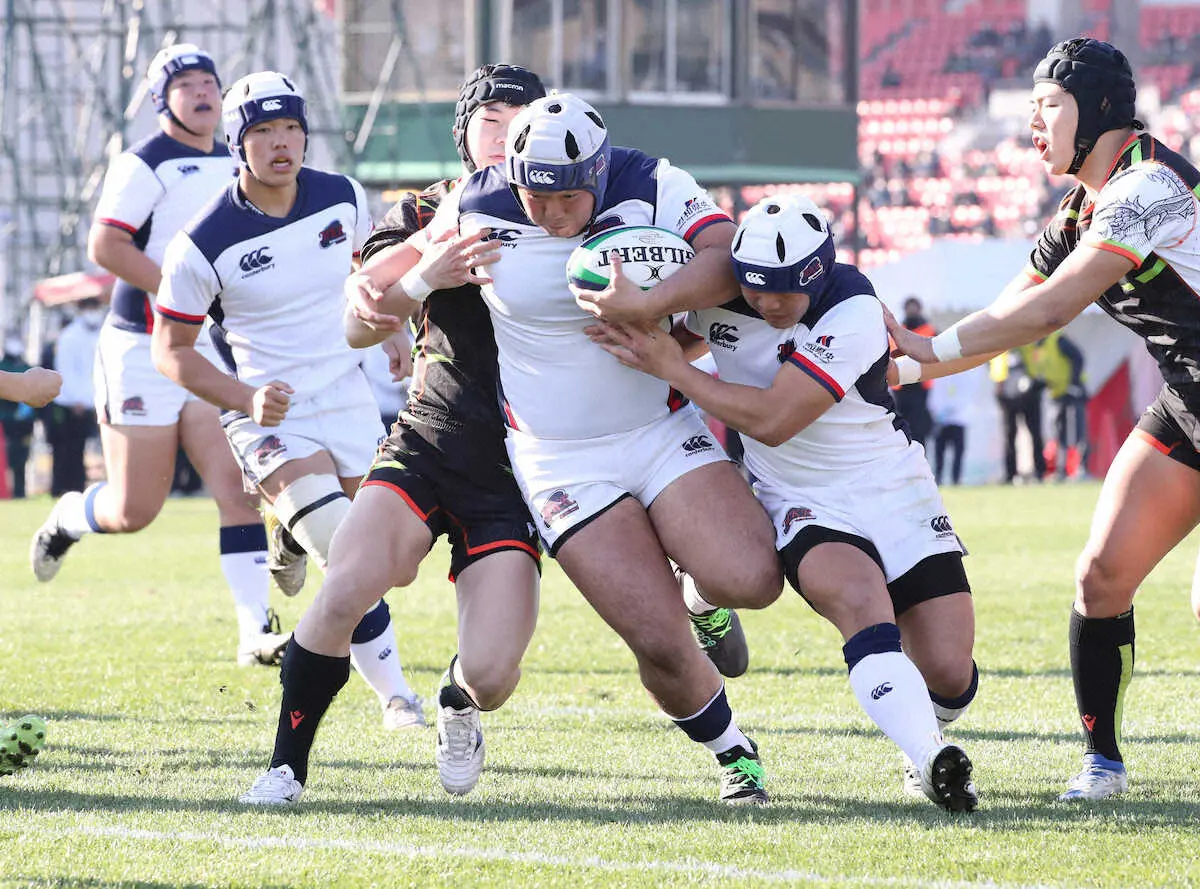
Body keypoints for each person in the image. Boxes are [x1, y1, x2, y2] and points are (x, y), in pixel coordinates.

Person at [385, 92, 784, 805]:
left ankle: (703, 593)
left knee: (752, 576)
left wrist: (649, 306)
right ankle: (733, 752)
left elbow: (727, 261)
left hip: (660, 430)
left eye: (569, 196)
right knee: (658, 643)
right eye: (536, 197)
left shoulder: (652, 181)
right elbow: (385, 284)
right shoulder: (476, 203)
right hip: (559, 457)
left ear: (599, 171)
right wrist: (403, 285)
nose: (553, 214)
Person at [590, 194, 980, 813]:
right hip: (799, 498)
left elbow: (775, 420)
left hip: (891, 485)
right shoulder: (723, 295)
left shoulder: (852, 308)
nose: (767, 303)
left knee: (950, 670)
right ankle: (930, 759)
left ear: (817, 274)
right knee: (860, 605)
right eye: (756, 288)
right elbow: (681, 340)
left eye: (783, 293)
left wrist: (677, 370)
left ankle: (928, 729)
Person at [887, 37, 1200, 801]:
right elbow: (1006, 310)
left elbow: (1051, 311)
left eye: (1046, 106)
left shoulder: (1148, 186)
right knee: (1101, 576)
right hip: (1190, 404)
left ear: (1096, 109)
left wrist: (925, 347)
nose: (1031, 123)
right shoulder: (1078, 211)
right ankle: (1104, 763)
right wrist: (893, 369)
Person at [236, 64, 549, 806]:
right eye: (491, 118)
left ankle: (455, 701)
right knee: (345, 586)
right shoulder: (423, 209)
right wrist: (425, 276)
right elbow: (359, 317)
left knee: (494, 674)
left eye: (521, 117)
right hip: (428, 440)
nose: (505, 133)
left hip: (516, 466)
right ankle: (285, 766)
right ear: (464, 132)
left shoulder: (571, 208)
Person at [150, 70, 424, 731]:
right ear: (238, 144)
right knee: (349, 553)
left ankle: (287, 535)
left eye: (292, 128)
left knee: (399, 562)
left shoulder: (342, 196)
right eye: (264, 131)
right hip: (266, 415)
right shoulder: (203, 240)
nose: (281, 144)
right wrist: (245, 396)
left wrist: (392, 330)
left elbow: (366, 276)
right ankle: (397, 696)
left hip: (349, 395)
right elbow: (171, 352)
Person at [28, 45, 287, 670]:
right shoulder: (146, 162)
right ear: (160, 100)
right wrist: (183, 297)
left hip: (202, 350)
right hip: (140, 348)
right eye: (186, 84)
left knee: (234, 489)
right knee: (134, 510)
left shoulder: (237, 158)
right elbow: (106, 247)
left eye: (210, 82)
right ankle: (69, 516)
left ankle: (255, 632)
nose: (202, 93)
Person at [46, 299, 102, 496]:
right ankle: (61, 488)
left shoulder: (99, 334)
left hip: (90, 402)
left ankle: (77, 487)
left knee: (80, 450)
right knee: (66, 449)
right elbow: (66, 372)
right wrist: (76, 399)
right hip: (69, 404)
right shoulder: (70, 336)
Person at [1024, 331, 1089, 480]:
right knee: (1059, 433)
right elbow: (1045, 373)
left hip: (1073, 392)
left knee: (1077, 431)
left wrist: (1073, 383)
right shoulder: (1036, 348)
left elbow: (1078, 357)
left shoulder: (1058, 340)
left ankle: (1082, 469)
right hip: (1056, 394)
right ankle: (1061, 470)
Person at [990, 349, 1046, 484]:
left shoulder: (1028, 340)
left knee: (1035, 433)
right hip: (1007, 394)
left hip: (1030, 392)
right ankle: (1010, 474)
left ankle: (1039, 472)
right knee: (1009, 436)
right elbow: (997, 369)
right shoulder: (999, 344)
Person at [891, 297, 935, 447]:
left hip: (920, 386)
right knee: (900, 429)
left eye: (913, 307)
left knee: (918, 430)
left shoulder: (929, 331)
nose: (911, 311)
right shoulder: (897, 330)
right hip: (900, 386)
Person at [0, 335, 37, 498]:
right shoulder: (3, 367)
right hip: (5, 421)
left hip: (24, 423)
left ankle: (20, 492)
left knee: (21, 458)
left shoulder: (28, 368)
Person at [927, 367, 969, 485]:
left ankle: (956, 479)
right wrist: (938, 413)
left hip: (958, 419)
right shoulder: (939, 375)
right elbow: (934, 396)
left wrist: (954, 409)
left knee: (958, 452)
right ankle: (938, 478)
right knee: (939, 451)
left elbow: (966, 394)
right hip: (941, 421)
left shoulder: (963, 374)